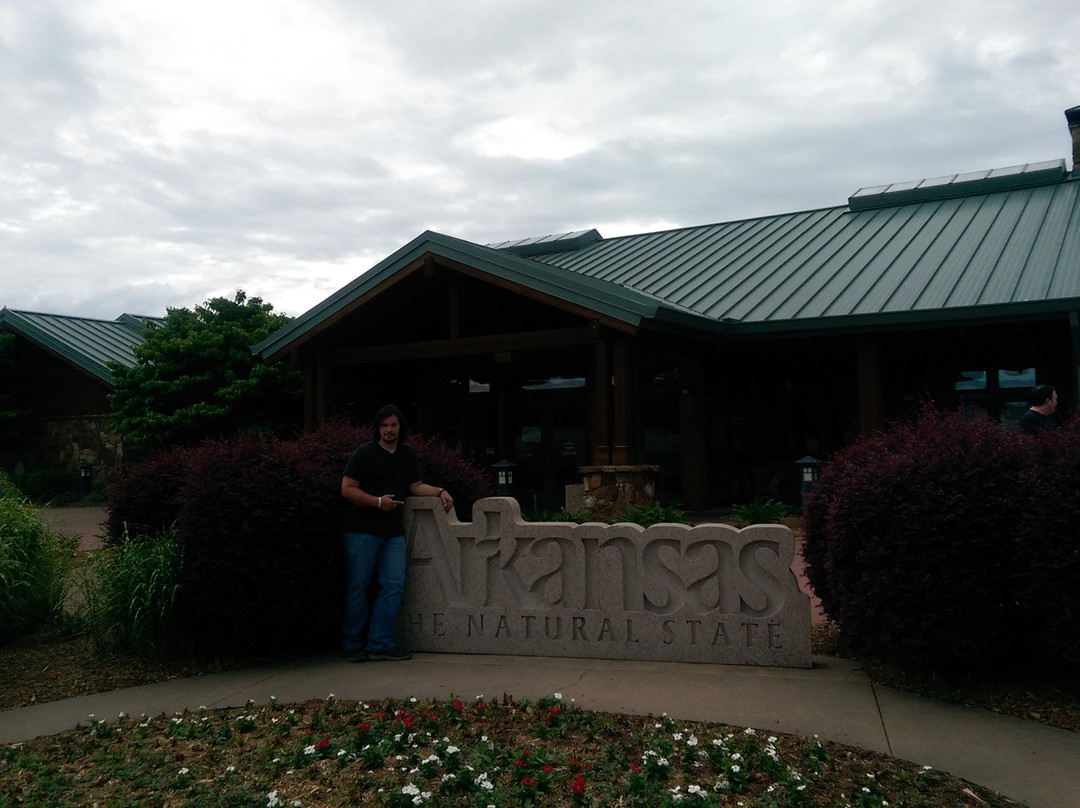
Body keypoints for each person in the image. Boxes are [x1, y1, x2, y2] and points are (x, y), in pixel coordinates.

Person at [340, 404, 453, 662]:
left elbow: (415, 486)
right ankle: (352, 644)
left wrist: (439, 491)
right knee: (358, 586)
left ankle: (380, 643)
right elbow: (347, 488)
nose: (389, 430)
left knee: (393, 586)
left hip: (393, 533)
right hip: (361, 531)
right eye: (384, 426)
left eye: (393, 425)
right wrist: (378, 502)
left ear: (400, 427)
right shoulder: (364, 453)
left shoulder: (408, 454)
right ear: (377, 428)